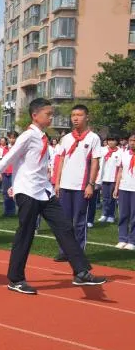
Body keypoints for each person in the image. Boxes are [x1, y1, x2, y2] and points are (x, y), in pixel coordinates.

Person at [0, 98, 106, 294]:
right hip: (27, 192)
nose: (51, 117)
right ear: (35, 116)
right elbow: (7, 159)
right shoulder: (28, 136)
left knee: (65, 227)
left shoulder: (44, 137)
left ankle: (81, 272)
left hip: (44, 192)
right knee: (25, 234)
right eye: (48, 114)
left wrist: (51, 185)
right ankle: (16, 279)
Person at [52, 104, 104, 262]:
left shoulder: (93, 138)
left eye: (79, 115)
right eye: (73, 114)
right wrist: (57, 182)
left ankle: (78, 252)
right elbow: (61, 160)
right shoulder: (66, 138)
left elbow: (95, 163)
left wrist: (91, 184)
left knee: (80, 221)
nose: (75, 118)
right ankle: (64, 250)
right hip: (65, 185)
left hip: (82, 186)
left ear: (87, 117)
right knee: (64, 221)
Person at [113, 134, 135, 250]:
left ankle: (132, 240)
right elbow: (120, 171)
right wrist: (116, 187)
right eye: (131, 140)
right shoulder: (124, 154)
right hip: (124, 187)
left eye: (134, 141)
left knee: (134, 216)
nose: (132, 142)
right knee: (123, 214)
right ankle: (122, 238)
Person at [97, 135, 121, 224]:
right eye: (109, 140)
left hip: (113, 179)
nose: (110, 142)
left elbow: (119, 167)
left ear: (116, 141)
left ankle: (111, 215)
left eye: (113, 140)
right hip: (104, 178)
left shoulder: (120, 152)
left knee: (112, 198)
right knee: (105, 198)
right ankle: (104, 214)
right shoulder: (103, 150)